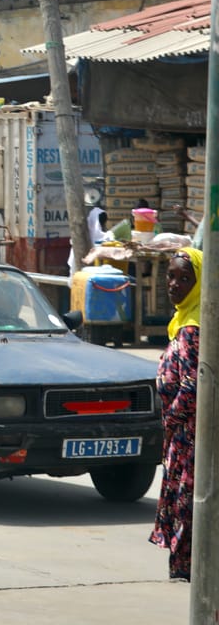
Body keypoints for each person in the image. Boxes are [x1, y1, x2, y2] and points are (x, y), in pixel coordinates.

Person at [149, 246, 202, 582]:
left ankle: (191, 571)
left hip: (191, 436)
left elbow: (194, 385)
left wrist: (171, 420)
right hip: (180, 436)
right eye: (171, 276)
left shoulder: (193, 328)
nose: (175, 284)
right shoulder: (181, 322)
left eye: (185, 278)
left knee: (190, 505)